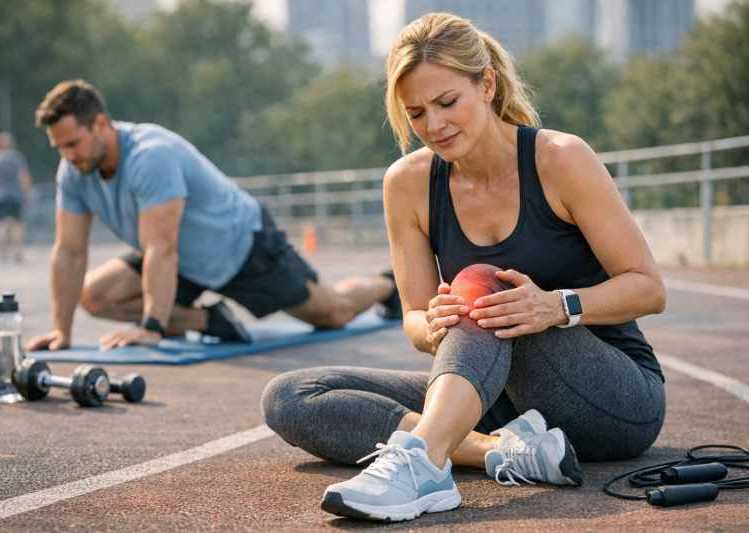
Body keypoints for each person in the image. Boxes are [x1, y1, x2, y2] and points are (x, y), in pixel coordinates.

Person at [261, 13, 666, 522]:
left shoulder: (560, 160)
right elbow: (411, 317)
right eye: (416, 113)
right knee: (291, 396)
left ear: (487, 84)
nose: (435, 126)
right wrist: (433, 322)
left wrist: (553, 306)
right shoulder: (406, 185)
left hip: (613, 401)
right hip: (502, 405)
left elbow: (649, 289)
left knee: (479, 281)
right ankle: (495, 451)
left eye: (448, 102)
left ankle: (425, 461)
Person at [24, 80, 399, 353]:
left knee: (333, 311)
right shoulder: (73, 172)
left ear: (101, 125)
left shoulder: (150, 156)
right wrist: (62, 330)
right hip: (181, 262)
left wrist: (153, 326)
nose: (68, 156)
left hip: (240, 246)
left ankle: (387, 285)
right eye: (59, 148)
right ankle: (209, 321)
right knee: (95, 296)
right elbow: (69, 253)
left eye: (73, 143)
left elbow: (160, 247)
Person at [0, 132, 33, 263]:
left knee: (0, 225)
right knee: (17, 225)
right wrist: (27, 193)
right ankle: (17, 252)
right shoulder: (17, 158)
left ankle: (2, 253)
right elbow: (23, 177)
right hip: (15, 196)